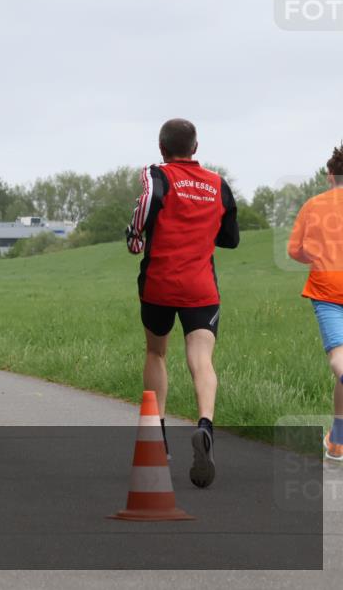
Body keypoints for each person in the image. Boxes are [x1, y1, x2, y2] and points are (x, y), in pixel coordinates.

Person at [126, 118, 239, 488]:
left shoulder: (156, 174)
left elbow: (144, 207)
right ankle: (205, 424)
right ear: (196, 147)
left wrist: (134, 238)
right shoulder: (218, 184)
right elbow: (230, 238)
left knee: (156, 353)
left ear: (162, 148)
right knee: (202, 358)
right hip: (200, 286)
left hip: (159, 281)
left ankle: (158, 439)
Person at [288, 144, 343, 463]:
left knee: (339, 355)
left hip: (327, 289)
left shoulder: (314, 205)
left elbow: (295, 251)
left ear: (329, 176)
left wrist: (317, 254)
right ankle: (337, 442)